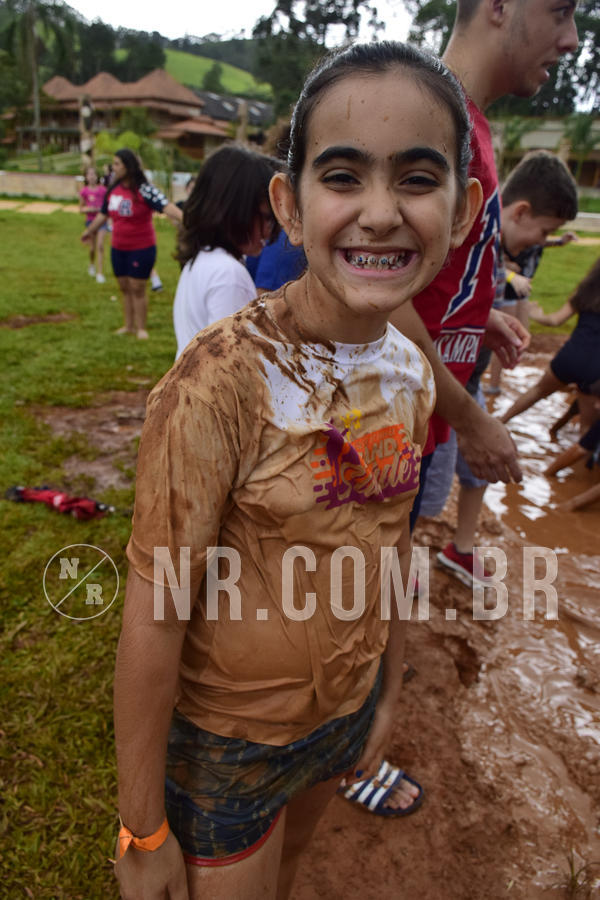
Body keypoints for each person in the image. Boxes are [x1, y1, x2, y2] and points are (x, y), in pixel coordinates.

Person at [113, 41, 482, 900]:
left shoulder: (410, 372)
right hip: (228, 744)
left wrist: (385, 695)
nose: (382, 214)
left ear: (461, 209)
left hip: (342, 717)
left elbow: (390, 549)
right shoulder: (218, 384)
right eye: (344, 176)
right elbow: (156, 614)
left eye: (418, 179)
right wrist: (141, 826)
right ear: (290, 202)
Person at [346, 0, 578, 812]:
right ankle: (348, 752)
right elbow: (379, 294)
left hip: (413, 422)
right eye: (561, 10)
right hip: (374, 428)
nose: (573, 38)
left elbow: (430, 288)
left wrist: (482, 320)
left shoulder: (467, 126)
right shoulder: (431, 120)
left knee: (390, 580)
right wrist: (476, 419)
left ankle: (363, 731)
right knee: (359, 594)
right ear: (498, 7)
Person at [418, 151, 578, 588]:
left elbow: (467, 308)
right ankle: (405, 560)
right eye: (542, 233)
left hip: (469, 378)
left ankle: (461, 550)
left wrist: (489, 323)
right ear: (521, 210)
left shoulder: (495, 246)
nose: (539, 243)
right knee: (422, 489)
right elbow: (433, 313)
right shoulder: (476, 244)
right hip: (447, 383)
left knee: (480, 472)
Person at [173, 145, 280, 358]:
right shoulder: (229, 274)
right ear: (236, 211)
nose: (269, 232)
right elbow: (232, 360)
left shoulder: (204, 259)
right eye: (266, 217)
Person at [81, 148, 182, 340]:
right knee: (124, 286)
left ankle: (141, 327)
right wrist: (89, 231)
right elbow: (103, 214)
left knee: (138, 287)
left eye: (118, 163)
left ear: (128, 166)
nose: (114, 167)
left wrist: (189, 221)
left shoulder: (144, 189)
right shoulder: (113, 189)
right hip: (118, 248)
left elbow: (166, 205)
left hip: (141, 248)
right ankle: (128, 326)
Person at [501, 256, 600, 432]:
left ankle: (499, 423)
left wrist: (535, 313)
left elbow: (554, 320)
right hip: (595, 369)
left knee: (536, 392)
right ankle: (574, 457)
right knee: (586, 429)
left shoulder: (587, 290)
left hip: (570, 355)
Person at [79, 166, 107, 283]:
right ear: (86, 177)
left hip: (102, 221)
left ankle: (100, 273)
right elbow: (81, 209)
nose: (92, 177)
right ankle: (92, 264)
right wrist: (89, 209)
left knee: (100, 246)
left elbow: (107, 206)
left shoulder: (103, 190)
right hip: (91, 222)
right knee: (92, 248)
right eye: (89, 174)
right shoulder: (84, 191)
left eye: (94, 174)